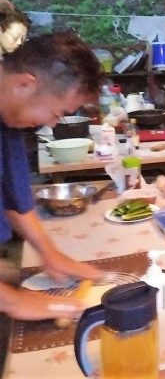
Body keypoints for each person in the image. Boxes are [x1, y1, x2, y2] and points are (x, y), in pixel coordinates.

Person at [0, 31, 104, 321]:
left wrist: (48, 252)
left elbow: (14, 198)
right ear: (25, 84)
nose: (52, 124)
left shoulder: (10, 118)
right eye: (57, 113)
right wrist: (15, 302)